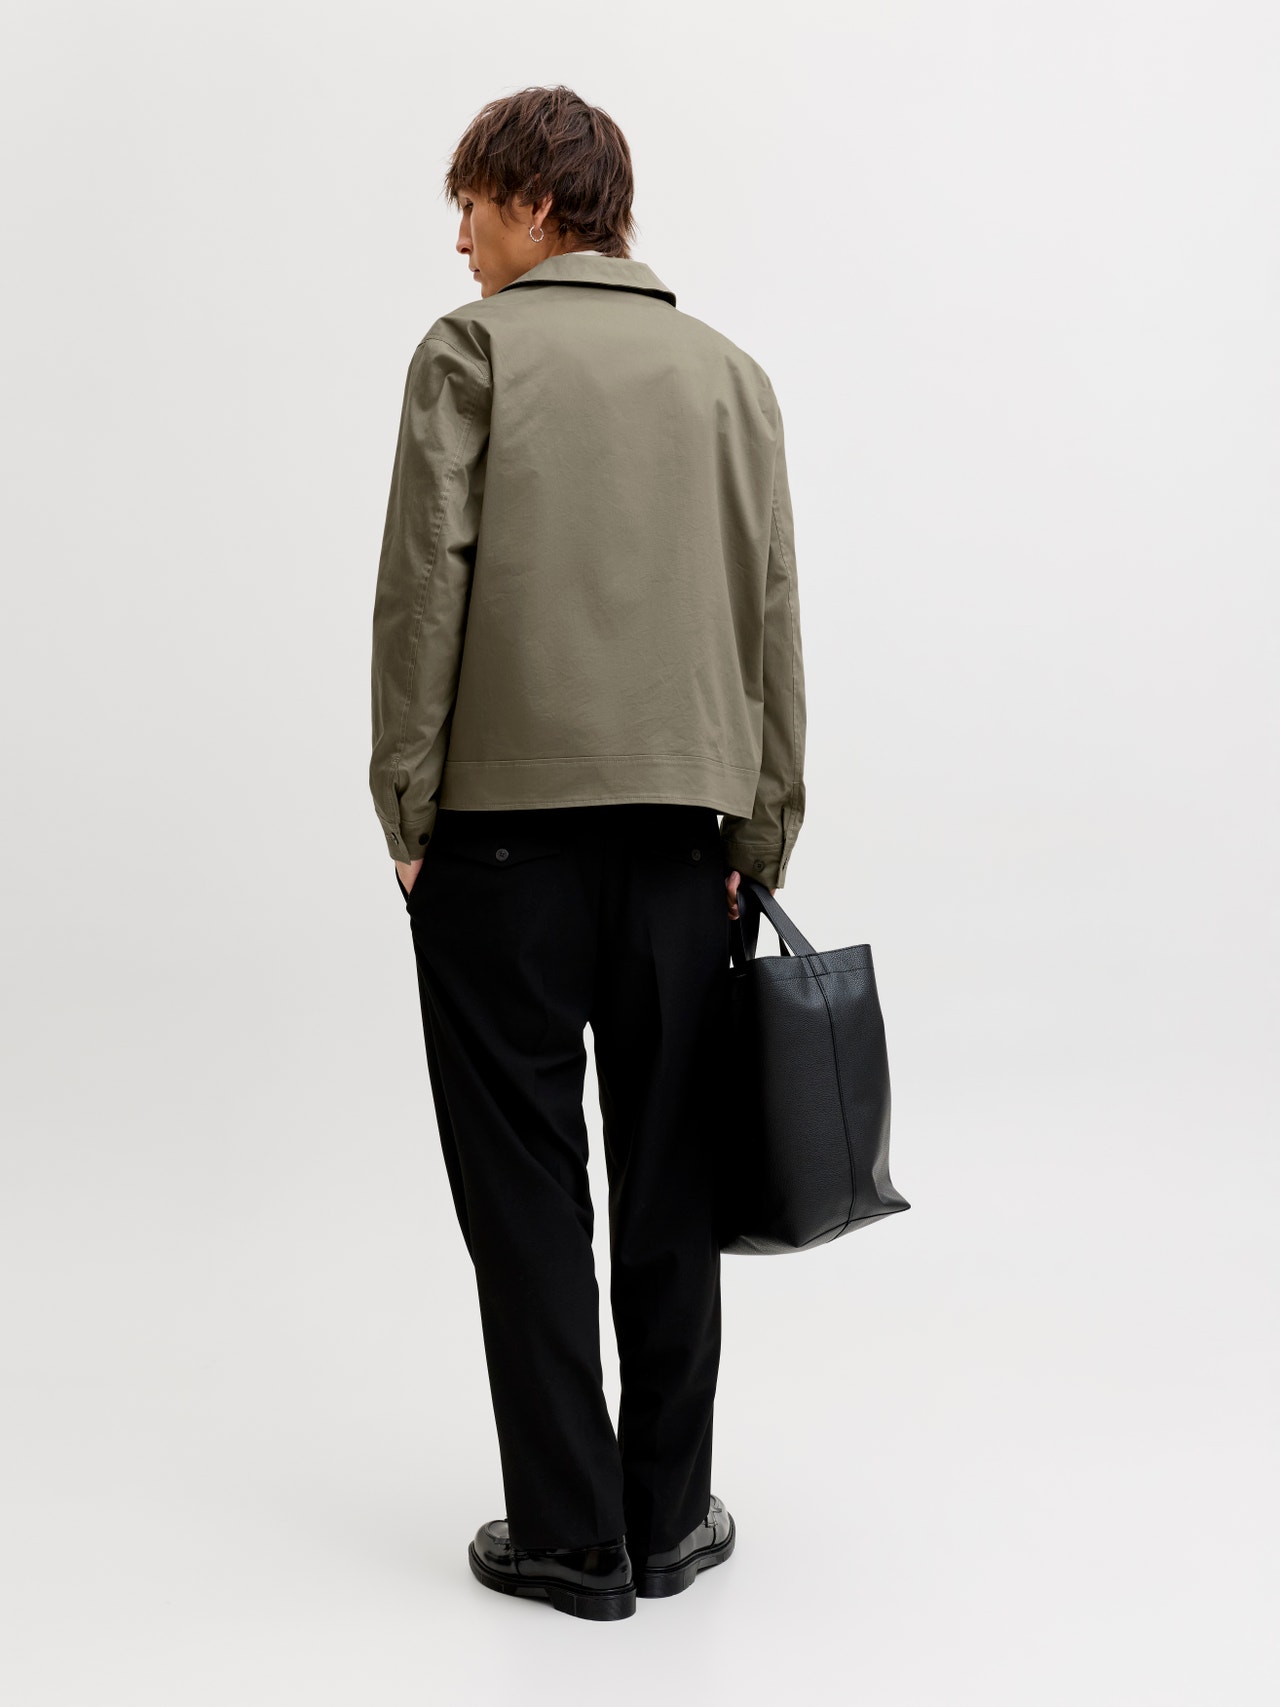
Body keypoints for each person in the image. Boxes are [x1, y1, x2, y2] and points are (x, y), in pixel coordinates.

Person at [368, 85, 806, 1621]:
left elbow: (424, 592)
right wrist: (761, 830)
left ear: (542, 203)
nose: (462, 238)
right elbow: (770, 622)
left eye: (475, 204)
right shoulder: (733, 379)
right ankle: (669, 1521)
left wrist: (408, 811)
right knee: (673, 1179)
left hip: (499, 846)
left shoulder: (471, 353)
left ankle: (569, 1537)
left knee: (527, 1191)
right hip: (688, 852)